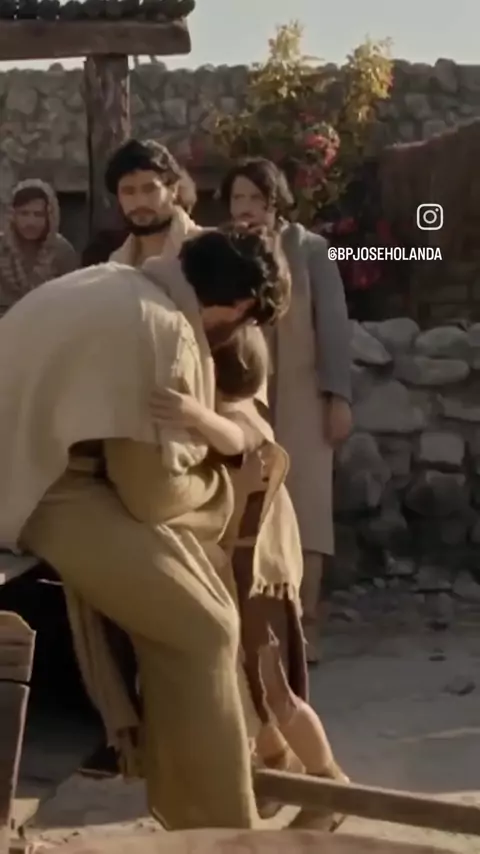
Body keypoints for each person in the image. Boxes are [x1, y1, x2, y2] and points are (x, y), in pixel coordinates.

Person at [0, 225, 289, 831]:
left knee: (197, 608)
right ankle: (217, 831)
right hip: (40, 490)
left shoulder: (110, 280)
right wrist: (220, 488)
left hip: (35, 473)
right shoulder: (167, 330)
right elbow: (151, 494)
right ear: (238, 307)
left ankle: (188, 805)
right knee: (205, 628)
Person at [151, 325, 349, 831]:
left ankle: (329, 786)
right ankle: (277, 764)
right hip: (248, 573)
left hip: (262, 578)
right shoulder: (240, 409)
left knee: (275, 690)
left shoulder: (238, 418)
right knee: (251, 683)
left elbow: (237, 440)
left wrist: (195, 414)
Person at [220, 157, 353, 664]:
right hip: (241, 394)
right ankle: (253, 626)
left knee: (306, 504)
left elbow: (333, 326)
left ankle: (305, 622)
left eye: (256, 198)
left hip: (301, 390)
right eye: (238, 198)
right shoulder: (222, 252)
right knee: (245, 503)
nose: (246, 208)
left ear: (275, 202)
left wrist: (337, 396)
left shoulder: (310, 249)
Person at [105, 138, 199, 266]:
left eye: (150, 189)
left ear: (173, 189)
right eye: (128, 191)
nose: (140, 202)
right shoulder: (116, 262)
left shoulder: (208, 252)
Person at [0, 178, 78, 316]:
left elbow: (73, 302)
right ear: (12, 215)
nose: (31, 222)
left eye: (38, 214)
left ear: (50, 217)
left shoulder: (63, 252)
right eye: (24, 213)